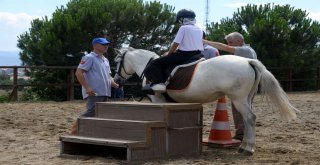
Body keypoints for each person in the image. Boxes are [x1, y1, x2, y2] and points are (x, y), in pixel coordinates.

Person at [204, 32, 257, 141]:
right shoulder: (249, 50)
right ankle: (246, 134)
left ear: (239, 41)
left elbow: (224, 48)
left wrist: (206, 42)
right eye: (228, 42)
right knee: (246, 108)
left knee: (239, 109)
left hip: (242, 84)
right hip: (250, 83)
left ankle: (241, 135)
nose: (229, 45)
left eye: (231, 42)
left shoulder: (244, 50)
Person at [143, 9, 204, 93]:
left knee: (154, 64)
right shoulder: (199, 29)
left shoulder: (183, 28)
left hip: (184, 55)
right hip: (199, 54)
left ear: (183, 19)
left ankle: (159, 83)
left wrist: (169, 53)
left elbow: (175, 44)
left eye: (180, 20)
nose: (179, 22)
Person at [70, 37, 119, 135]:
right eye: (103, 44)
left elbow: (108, 76)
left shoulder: (105, 60)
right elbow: (79, 73)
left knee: (101, 114)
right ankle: (73, 133)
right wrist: (87, 87)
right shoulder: (89, 58)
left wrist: (115, 85)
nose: (106, 46)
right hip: (94, 92)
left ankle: (94, 134)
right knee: (91, 112)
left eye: (107, 44)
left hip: (105, 92)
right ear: (95, 45)